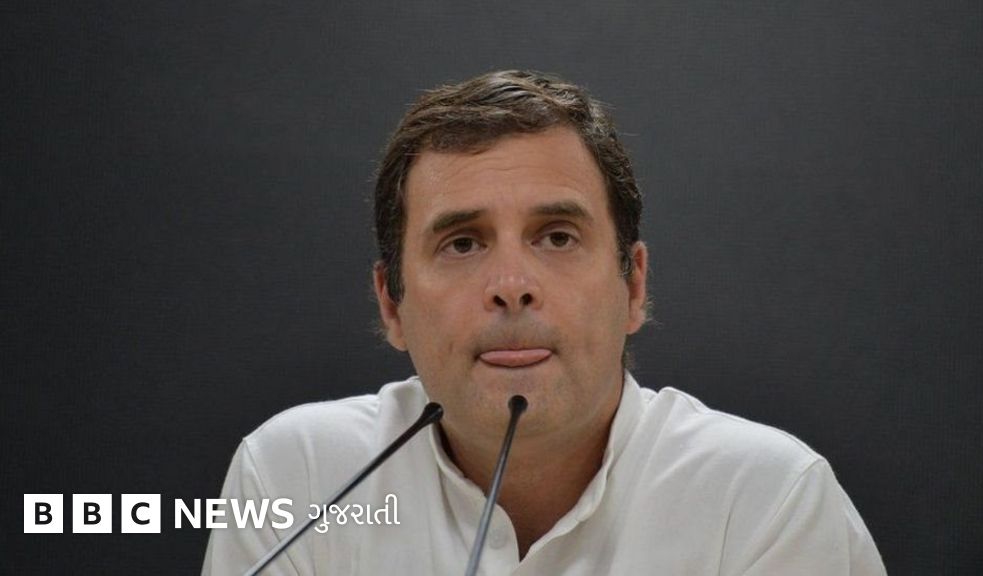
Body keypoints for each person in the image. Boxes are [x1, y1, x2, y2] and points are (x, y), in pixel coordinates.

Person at [202, 69, 886, 575]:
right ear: (391, 304)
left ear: (633, 285)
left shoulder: (767, 499)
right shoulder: (298, 479)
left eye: (557, 237)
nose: (512, 288)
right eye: (462, 244)